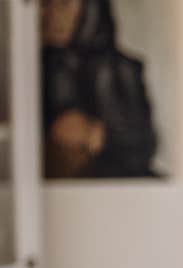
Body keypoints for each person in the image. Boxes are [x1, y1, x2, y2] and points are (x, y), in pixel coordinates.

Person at [41, 0, 162, 178]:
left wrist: (95, 134)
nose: (52, 15)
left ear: (91, 9)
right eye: (45, 4)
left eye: (64, 4)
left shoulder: (120, 68)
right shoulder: (36, 68)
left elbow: (144, 143)